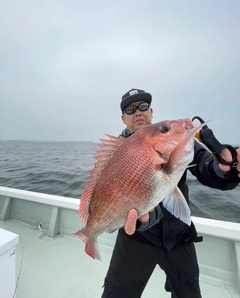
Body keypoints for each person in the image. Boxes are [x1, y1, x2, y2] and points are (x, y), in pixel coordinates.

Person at [101, 88, 240, 298]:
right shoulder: (116, 154)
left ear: (151, 112)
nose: (138, 111)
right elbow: (106, 190)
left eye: (144, 106)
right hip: (136, 237)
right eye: (130, 109)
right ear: (123, 118)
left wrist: (223, 169)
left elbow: (206, 166)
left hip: (178, 237)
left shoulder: (178, 141)